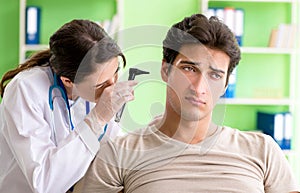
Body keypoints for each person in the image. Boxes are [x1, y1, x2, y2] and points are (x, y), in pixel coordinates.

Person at [73, 14, 299, 193]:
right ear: (165, 70)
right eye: (189, 69)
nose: (199, 87)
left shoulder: (263, 150)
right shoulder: (119, 153)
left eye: (215, 75)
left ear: (226, 84)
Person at [0, 19, 137, 193]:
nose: (111, 89)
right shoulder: (26, 90)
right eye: (101, 84)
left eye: (116, 73)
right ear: (68, 81)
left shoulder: (93, 86)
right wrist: (98, 118)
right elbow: (44, 183)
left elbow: (114, 145)